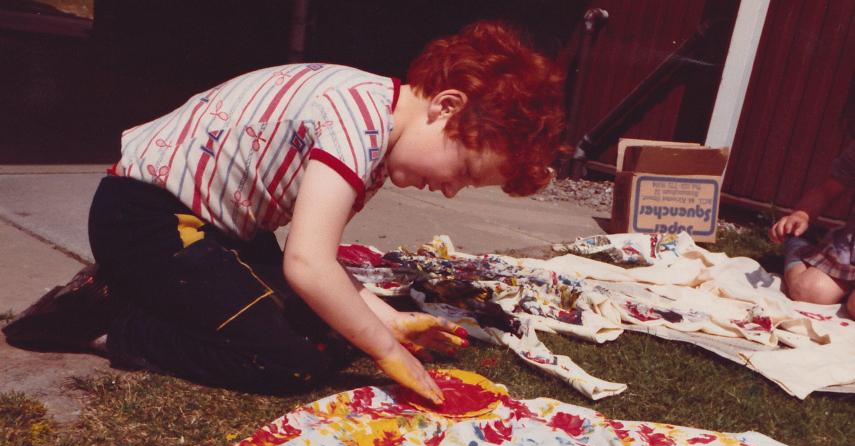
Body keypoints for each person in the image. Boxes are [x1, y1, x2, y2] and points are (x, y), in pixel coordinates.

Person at [3, 21, 565, 403]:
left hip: (217, 229)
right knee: (289, 361)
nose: (451, 192)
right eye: (463, 171)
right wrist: (386, 347)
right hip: (147, 219)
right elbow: (308, 264)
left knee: (333, 329)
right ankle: (109, 320)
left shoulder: (375, 123)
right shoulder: (357, 123)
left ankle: (143, 293)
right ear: (445, 107)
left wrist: (387, 320)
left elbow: (319, 265)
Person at [769, 140, 855, 318]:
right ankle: (798, 245)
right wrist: (802, 214)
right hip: (849, 251)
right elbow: (828, 190)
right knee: (808, 292)